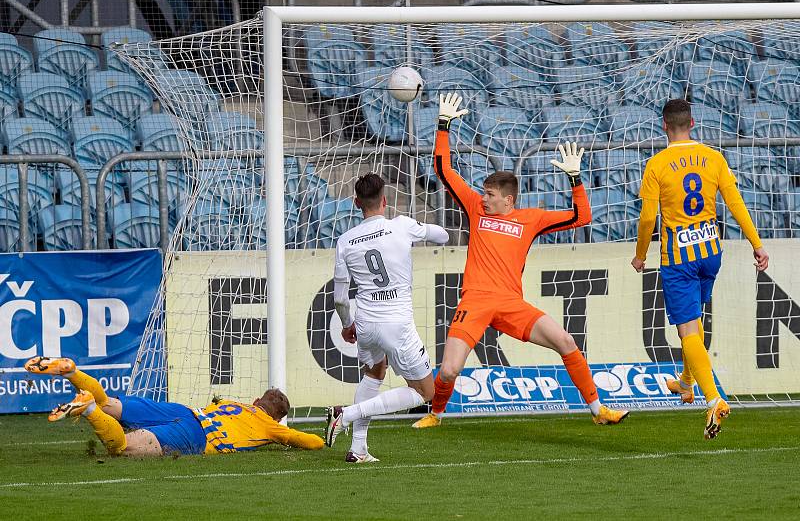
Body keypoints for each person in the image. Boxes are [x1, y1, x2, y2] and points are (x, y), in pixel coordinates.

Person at [413, 93, 630, 429]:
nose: (483, 198)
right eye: (483, 193)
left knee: (566, 341)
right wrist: (443, 127)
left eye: (490, 195)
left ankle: (599, 411)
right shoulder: (474, 207)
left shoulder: (530, 219)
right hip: (476, 299)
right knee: (450, 370)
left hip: (512, 303)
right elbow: (444, 170)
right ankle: (436, 414)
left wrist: (575, 179)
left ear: (507, 200)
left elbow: (582, 216)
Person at [631, 98, 769, 439]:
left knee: (687, 331)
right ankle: (687, 383)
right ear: (692, 123)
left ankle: (713, 399)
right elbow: (734, 203)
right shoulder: (713, 157)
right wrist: (757, 243)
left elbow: (649, 217)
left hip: (679, 255)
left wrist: (639, 254)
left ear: (664, 126)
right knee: (696, 320)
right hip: (711, 250)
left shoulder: (657, 164)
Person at [324, 172, 449, 462]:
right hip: (397, 325)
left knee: (373, 374)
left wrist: (347, 326)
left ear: (356, 203)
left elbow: (341, 298)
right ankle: (346, 414)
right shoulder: (402, 226)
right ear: (385, 200)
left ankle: (358, 449)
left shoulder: (345, 241)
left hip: (366, 323)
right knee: (425, 392)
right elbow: (443, 236)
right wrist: (421, 230)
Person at [25, 356, 324, 455]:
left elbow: (217, 404)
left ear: (257, 401)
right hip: (199, 435)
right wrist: (308, 438)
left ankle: (72, 372)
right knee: (121, 449)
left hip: (186, 411)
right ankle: (88, 408)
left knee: (109, 403)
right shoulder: (272, 428)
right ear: (277, 417)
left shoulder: (234, 402)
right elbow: (311, 442)